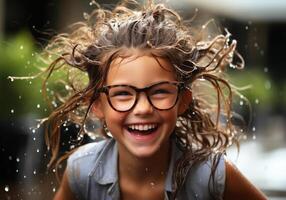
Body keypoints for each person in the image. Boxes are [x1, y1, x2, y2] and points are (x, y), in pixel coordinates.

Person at [39, 0, 267, 199]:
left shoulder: (211, 176)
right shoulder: (82, 172)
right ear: (97, 104)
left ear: (182, 100)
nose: (143, 108)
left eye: (159, 91)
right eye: (122, 93)